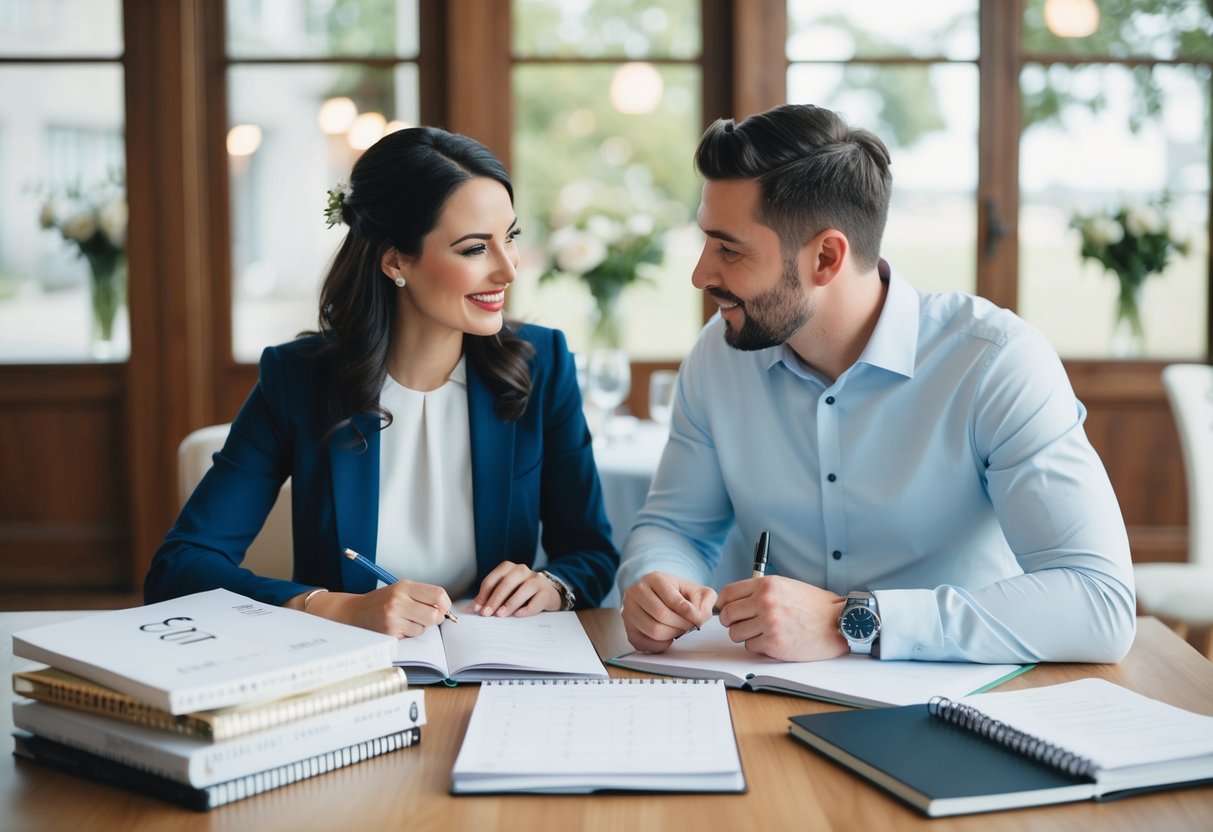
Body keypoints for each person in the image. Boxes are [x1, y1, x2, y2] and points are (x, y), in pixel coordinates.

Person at [618, 104, 1135, 665]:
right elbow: (676, 527)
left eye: (729, 249)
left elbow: (1099, 602)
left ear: (826, 256)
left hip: (971, 706)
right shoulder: (718, 358)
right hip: (773, 698)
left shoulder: (996, 364)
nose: (700, 274)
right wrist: (656, 581)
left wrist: (853, 621)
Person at [146, 127, 619, 638]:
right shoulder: (299, 379)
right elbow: (179, 568)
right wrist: (334, 607)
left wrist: (553, 585)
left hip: (495, 664)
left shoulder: (542, 363)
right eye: (474, 249)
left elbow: (591, 553)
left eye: (510, 237)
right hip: (346, 668)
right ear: (396, 261)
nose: (508, 269)